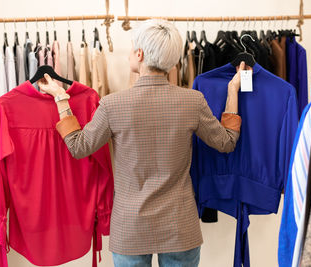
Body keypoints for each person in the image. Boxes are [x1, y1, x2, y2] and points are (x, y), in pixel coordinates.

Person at [38, 19, 247, 267]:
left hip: (130, 227)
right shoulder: (193, 101)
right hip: (180, 226)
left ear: (140, 54)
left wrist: (62, 99)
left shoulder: (112, 105)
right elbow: (226, 143)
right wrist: (233, 90)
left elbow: (79, 147)